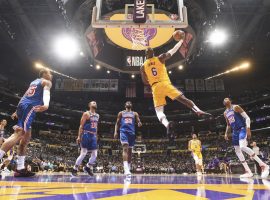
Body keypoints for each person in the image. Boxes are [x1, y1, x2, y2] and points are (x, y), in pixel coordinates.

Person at [140, 34, 210, 136]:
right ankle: (198, 111)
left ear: (145, 55)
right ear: (153, 53)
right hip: (165, 83)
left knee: (159, 111)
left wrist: (150, 80)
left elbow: (145, 82)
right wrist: (181, 41)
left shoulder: (142, 66)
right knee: (183, 99)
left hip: (155, 87)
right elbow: (173, 50)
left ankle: (167, 124)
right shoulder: (160, 58)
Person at [0, 69, 52, 177]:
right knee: (19, 134)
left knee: (26, 138)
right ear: (44, 74)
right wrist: (46, 105)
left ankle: (20, 168)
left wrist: (17, 109)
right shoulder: (46, 81)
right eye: (49, 73)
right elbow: (47, 92)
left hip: (23, 105)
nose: (51, 75)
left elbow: (25, 95)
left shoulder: (34, 82)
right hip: (29, 107)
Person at [223, 97, 269, 178]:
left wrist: (248, 129)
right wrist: (226, 133)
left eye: (227, 98)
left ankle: (263, 165)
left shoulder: (236, 107)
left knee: (243, 147)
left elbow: (247, 118)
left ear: (230, 101)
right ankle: (248, 171)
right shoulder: (225, 113)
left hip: (242, 129)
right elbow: (228, 125)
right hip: (234, 132)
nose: (225, 99)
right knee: (237, 151)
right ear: (224, 103)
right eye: (224, 99)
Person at [114, 101, 142, 177]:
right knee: (125, 148)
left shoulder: (135, 113)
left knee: (130, 151)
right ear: (125, 105)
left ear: (131, 105)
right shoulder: (121, 113)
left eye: (130, 102)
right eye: (127, 102)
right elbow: (117, 123)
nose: (129, 103)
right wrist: (115, 132)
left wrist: (139, 123)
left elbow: (138, 121)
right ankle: (126, 169)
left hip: (132, 133)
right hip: (123, 132)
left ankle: (128, 168)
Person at [71, 101, 99, 177]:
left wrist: (96, 135)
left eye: (95, 103)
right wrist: (79, 136)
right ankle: (74, 169)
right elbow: (81, 126)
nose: (95, 104)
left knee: (95, 155)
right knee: (83, 153)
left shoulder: (97, 115)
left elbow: (96, 126)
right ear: (89, 105)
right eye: (93, 103)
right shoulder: (86, 114)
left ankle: (87, 167)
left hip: (93, 136)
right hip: (86, 134)